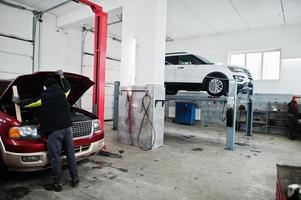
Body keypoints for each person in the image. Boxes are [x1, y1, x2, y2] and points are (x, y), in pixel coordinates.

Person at [12, 70, 79, 192]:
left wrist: (18, 101)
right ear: (56, 85)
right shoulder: (63, 93)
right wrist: (61, 75)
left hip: (55, 131)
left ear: (45, 87)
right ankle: (75, 179)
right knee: (70, 155)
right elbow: (68, 86)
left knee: (55, 158)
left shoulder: (44, 97)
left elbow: (31, 103)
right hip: (68, 129)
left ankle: (57, 184)